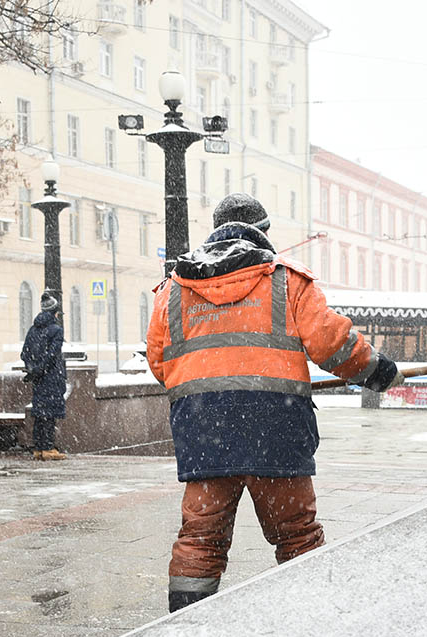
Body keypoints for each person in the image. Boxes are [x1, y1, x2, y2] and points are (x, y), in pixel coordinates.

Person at [146, 193, 403, 613]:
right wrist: (376, 371)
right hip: (276, 429)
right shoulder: (286, 280)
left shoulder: (173, 289)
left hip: (205, 429)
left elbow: (160, 362)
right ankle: (309, 615)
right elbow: (331, 343)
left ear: (215, 230)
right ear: (263, 232)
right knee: (296, 534)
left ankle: (186, 622)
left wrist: (212, 385)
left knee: (200, 535)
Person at [20, 293, 67, 461]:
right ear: (55, 312)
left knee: (40, 413)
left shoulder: (33, 329)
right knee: (50, 414)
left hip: (38, 379)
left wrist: (33, 370)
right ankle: (48, 448)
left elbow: (24, 353)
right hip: (51, 377)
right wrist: (41, 369)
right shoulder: (56, 330)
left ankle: (38, 449)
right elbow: (52, 355)